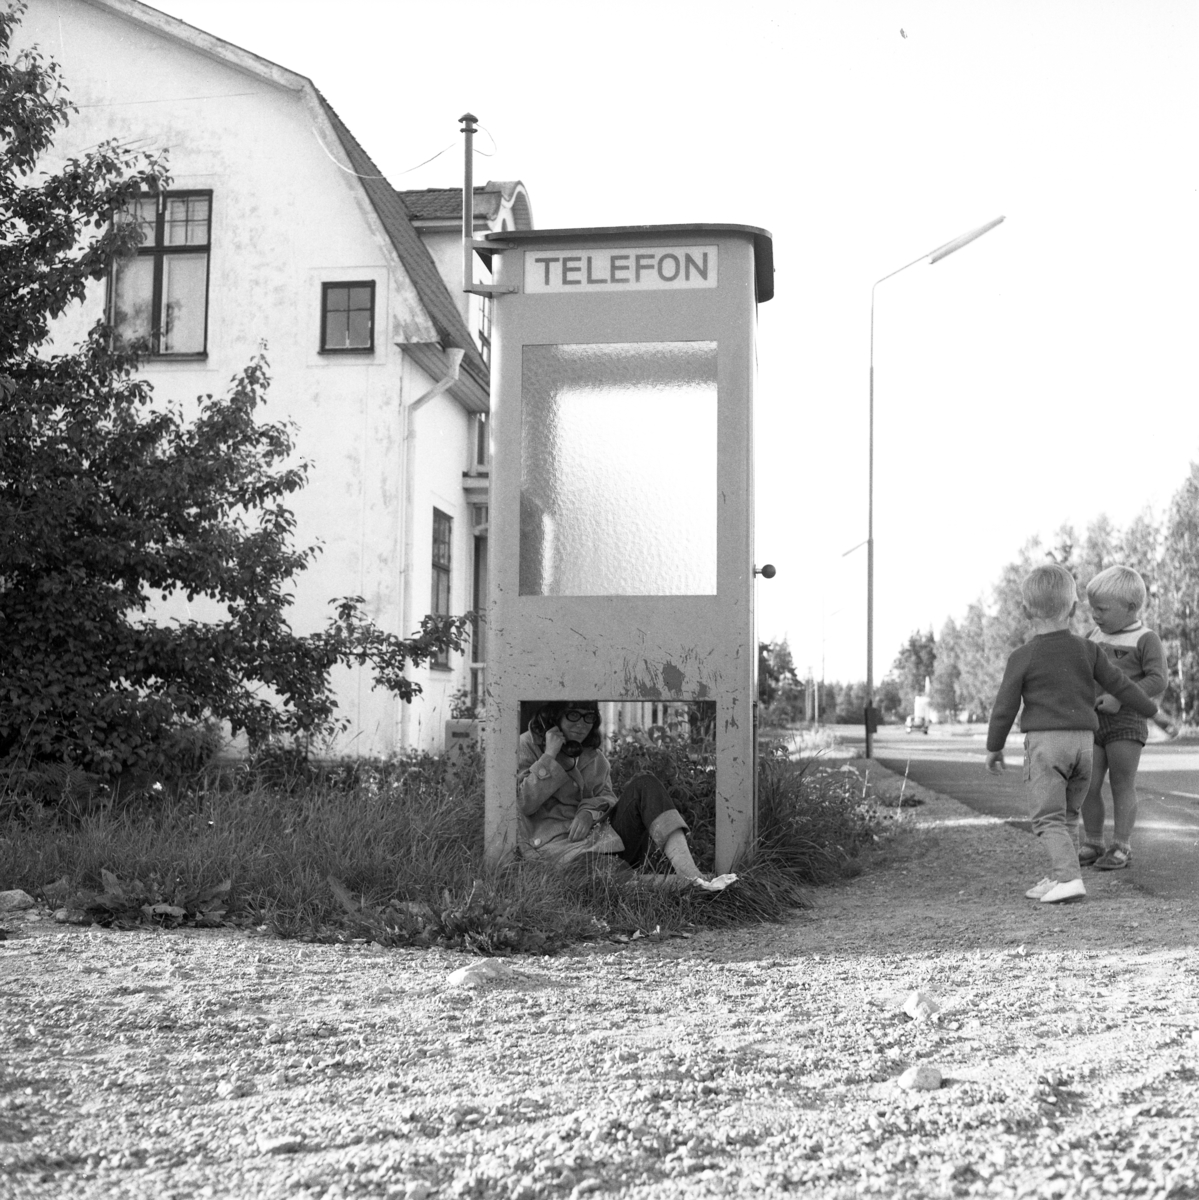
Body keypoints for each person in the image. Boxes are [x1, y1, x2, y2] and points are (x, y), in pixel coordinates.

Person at [984, 563, 1165, 904]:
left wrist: (994, 746)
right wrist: (1155, 713)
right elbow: (1122, 685)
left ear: (1025, 610)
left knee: (1046, 816)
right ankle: (1059, 874)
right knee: (1068, 813)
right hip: (1085, 743)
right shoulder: (1089, 648)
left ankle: (1069, 878)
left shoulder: (1022, 656)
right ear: (1073, 608)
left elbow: (1005, 707)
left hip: (1048, 744)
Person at [516, 700, 726, 887]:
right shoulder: (526, 746)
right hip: (560, 852)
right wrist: (549, 755)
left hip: (602, 841)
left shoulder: (594, 757)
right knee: (603, 872)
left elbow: (608, 798)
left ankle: (690, 874)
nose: (581, 724)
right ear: (554, 716)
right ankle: (676, 886)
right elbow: (524, 802)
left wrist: (589, 812)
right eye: (573, 715)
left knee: (646, 785)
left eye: (589, 717)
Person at [1078, 566, 1174, 871]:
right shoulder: (1093, 636)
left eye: (1102, 609)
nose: (1095, 615)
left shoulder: (1146, 638)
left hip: (1127, 721)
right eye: (1093, 608)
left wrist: (1120, 697)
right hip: (1093, 721)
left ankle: (1121, 846)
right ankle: (1093, 842)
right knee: (1087, 783)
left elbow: (1158, 679)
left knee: (1121, 783)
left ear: (1130, 607)